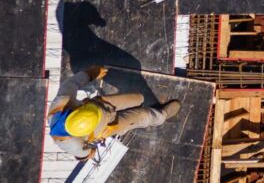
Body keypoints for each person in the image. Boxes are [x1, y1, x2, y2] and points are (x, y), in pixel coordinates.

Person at [47, 67, 182, 160]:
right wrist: (91, 152)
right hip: (107, 128)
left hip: (99, 105)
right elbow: (84, 155)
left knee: (138, 97)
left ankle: (139, 100)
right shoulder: (70, 144)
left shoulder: (62, 102)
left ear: (77, 111)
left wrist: (91, 73)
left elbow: (73, 82)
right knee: (142, 116)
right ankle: (161, 115)